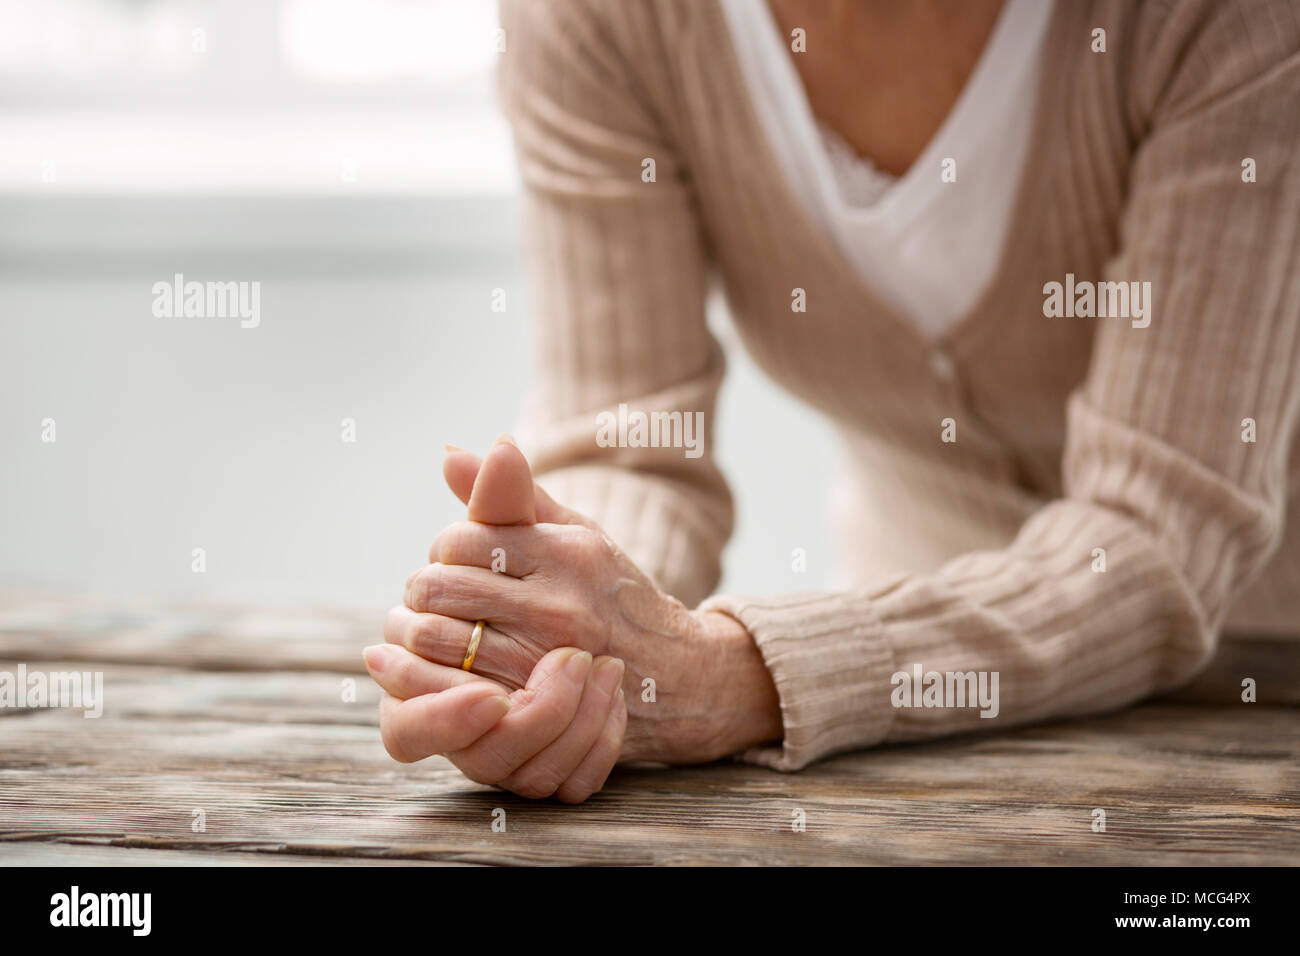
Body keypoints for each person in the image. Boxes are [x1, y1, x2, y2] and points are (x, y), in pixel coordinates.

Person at [363, 0, 1300, 803]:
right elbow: (629, 443)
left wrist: (734, 676)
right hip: (925, 744)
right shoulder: (603, 18)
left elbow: (1158, 533)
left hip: (1264, 694)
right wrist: (562, 644)